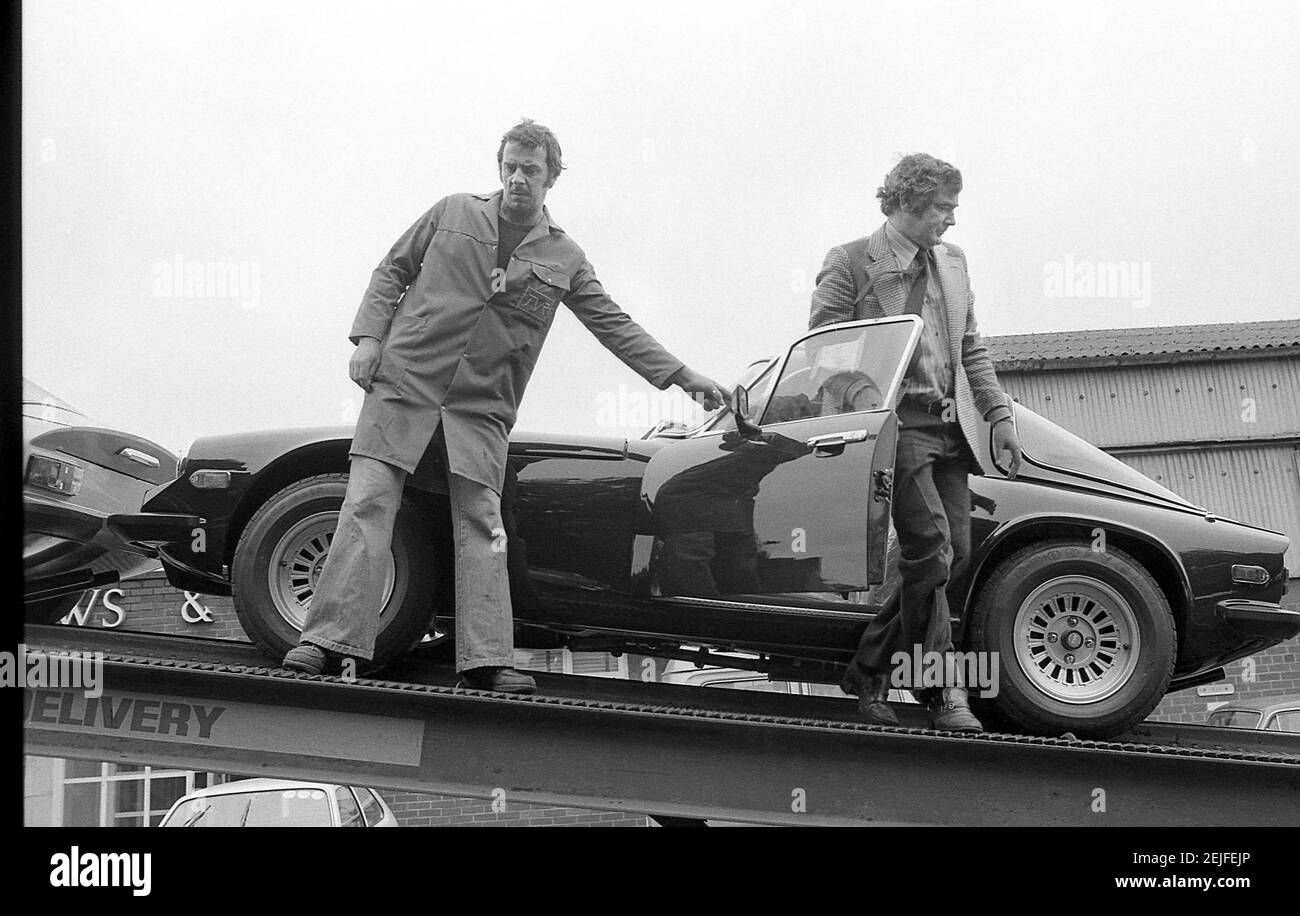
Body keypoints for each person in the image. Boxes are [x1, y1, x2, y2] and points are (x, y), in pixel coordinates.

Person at [282, 119, 725, 692]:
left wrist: (681, 375)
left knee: (483, 524)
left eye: (532, 170)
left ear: (552, 178)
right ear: (500, 168)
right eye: (511, 167)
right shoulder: (451, 213)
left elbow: (612, 324)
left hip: (480, 407)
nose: (519, 179)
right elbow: (391, 270)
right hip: (405, 384)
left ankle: (486, 660)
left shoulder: (564, 256)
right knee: (367, 506)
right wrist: (369, 340)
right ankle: (324, 642)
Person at [809, 153, 1023, 731]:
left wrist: (998, 414)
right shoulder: (852, 261)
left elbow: (970, 344)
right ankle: (943, 689)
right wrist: (864, 405)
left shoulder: (954, 263)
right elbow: (826, 350)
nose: (951, 220)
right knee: (930, 547)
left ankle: (869, 670)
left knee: (951, 553)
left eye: (954, 208)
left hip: (952, 427)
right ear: (905, 203)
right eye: (942, 208)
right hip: (895, 426)